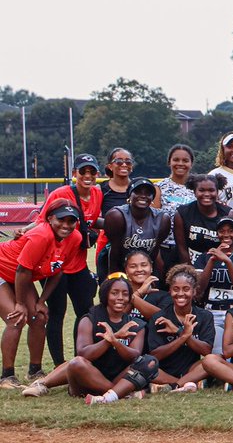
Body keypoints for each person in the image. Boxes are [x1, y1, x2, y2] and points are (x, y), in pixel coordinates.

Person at [22, 274, 155, 404]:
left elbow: (134, 357)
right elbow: (84, 354)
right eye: (114, 293)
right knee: (77, 363)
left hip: (118, 377)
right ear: (105, 295)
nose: (120, 298)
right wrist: (108, 341)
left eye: (125, 294)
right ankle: (120, 394)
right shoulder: (89, 319)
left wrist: (115, 341)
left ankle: (112, 394)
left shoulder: (135, 324)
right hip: (88, 381)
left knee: (149, 362)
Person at [0, 201, 83, 388]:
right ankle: (6, 376)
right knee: (16, 318)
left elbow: (58, 270)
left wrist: (42, 302)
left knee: (38, 318)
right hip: (4, 270)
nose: (66, 225)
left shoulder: (75, 238)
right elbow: (22, 270)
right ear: (50, 218)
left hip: (21, 276)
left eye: (71, 221)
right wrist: (20, 304)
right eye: (61, 219)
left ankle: (35, 370)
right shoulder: (41, 235)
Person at [32, 155, 101, 370]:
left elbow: (92, 221)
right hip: (55, 265)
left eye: (92, 172)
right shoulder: (61, 194)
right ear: (75, 174)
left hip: (78, 264)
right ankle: (59, 365)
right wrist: (25, 231)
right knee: (57, 313)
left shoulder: (97, 194)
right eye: (83, 172)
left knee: (86, 312)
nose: (87, 176)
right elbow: (41, 223)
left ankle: (81, 358)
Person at [146, 264, 214, 392]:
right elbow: (156, 355)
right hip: (164, 371)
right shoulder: (159, 317)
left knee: (213, 360)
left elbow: (206, 351)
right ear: (170, 291)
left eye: (186, 289)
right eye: (176, 289)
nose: (181, 294)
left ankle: (174, 386)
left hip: (191, 369)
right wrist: (183, 336)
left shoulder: (205, 316)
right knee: (145, 364)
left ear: (194, 291)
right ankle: (185, 384)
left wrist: (179, 331)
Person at [196, 217, 233, 352]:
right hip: (211, 311)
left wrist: (228, 262)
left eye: (231, 231)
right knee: (218, 352)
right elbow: (198, 289)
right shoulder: (204, 257)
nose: (226, 235)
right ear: (217, 234)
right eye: (222, 231)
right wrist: (212, 260)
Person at [102, 177, 170, 277]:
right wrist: (114, 278)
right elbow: (114, 251)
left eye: (148, 193)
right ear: (129, 195)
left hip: (145, 267)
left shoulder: (162, 219)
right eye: (138, 192)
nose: (143, 196)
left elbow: (154, 252)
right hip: (118, 264)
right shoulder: (116, 216)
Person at [92, 148, 135, 277]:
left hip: (135, 241)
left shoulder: (137, 188)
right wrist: (113, 225)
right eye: (119, 161)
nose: (124, 165)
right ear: (110, 166)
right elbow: (92, 217)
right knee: (107, 282)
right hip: (107, 241)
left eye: (128, 161)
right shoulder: (101, 189)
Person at [174, 173, 231, 265]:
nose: (207, 194)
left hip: (219, 263)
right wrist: (190, 271)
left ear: (217, 192)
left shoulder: (228, 213)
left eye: (211, 190)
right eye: (201, 190)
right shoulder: (182, 213)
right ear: (194, 192)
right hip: (190, 264)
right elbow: (181, 248)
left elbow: (229, 245)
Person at [157, 144, 196, 265]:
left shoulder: (199, 187)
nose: (180, 163)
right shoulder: (159, 187)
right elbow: (154, 223)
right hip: (166, 248)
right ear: (169, 162)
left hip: (192, 249)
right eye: (176, 160)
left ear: (191, 163)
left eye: (185, 160)